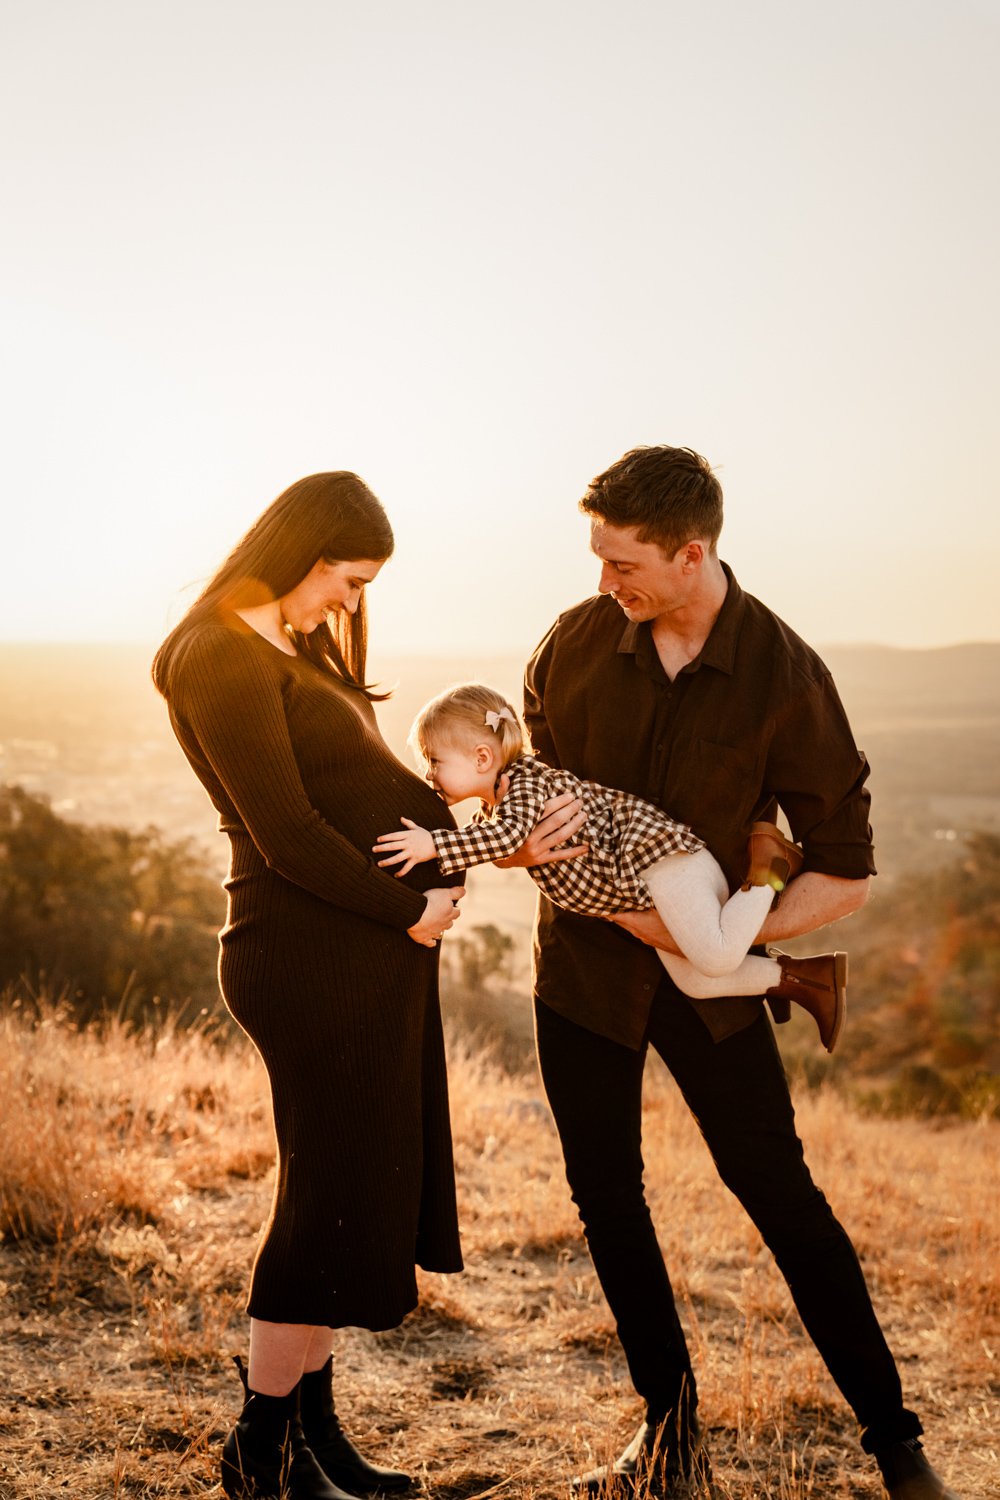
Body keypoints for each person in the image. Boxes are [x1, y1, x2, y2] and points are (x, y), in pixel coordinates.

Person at [495, 447, 959, 1499]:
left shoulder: (787, 678)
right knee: (606, 1199)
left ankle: (895, 1443)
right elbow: (533, 805)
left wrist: (725, 950)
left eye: (623, 564)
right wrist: (559, 868)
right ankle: (667, 1437)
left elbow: (845, 872)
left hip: (712, 998)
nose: (604, 583)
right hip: (578, 975)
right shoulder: (570, 644)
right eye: (598, 559)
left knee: (780, 1196)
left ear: (691, 551)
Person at [152, 472, 466, 1500]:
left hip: (361, 961)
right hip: (305, 957)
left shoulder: (301, 645)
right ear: (300, 550)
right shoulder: (217, 656)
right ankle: (259, 1451)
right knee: (322, 1200)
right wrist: (408, 909)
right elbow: (285, 834)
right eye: (346, 578)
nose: (352, 600)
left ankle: (315, 1442)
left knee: (346, 1200)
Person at [372, 682, 846, 1051]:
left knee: (716, 956)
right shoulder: (494, 808)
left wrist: (433, 844)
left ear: (482, 756)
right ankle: (808, 980)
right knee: (697, 980)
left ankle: (768, 866)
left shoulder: (524, 785)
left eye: (434, 761)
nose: (428, 774)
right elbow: (494, 840)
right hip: (643, 886)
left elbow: (506, 838)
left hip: (659, 859)